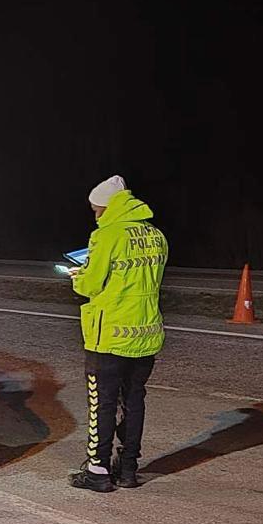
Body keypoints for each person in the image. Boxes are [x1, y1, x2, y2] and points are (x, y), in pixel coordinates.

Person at [67, 175, 168, 492]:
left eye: (97, 210)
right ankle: (127, 470)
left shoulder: (106, 237)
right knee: (134, 400)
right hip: (146, 333)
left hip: (108, 334)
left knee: (103, 403)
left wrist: (77, 276)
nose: (95, 216)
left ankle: (97, 471)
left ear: (108, 207)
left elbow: (91, 285)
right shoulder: (156, 236)